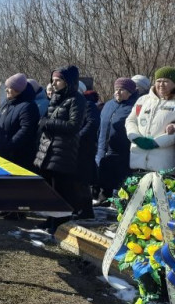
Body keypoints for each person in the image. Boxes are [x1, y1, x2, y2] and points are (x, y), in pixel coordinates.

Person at [34, 65, 86, 233]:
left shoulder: (77, 99)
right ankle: (50, 219)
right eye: (53, 80)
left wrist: (47, 124)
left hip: (63, 151)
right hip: (48, 149)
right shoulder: (56, 98)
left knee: (61, 190)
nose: (54, 83)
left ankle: (60, 224)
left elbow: (74, 125)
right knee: (49, 189)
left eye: (58, 80)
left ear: (68, 82)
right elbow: (46, 118)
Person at [0, 74, 40, 220]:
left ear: (18, 89)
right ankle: (6, 206)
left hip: (18, 152)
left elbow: (26, 129)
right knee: (5, 182)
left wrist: (11, 145)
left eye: (9, 88)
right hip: (2, 150)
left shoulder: (28, 106)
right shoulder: (7, 103)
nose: (6, 90)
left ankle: (17, 210)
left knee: (17, 183)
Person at [94, 77, 139, 206]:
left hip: (122, 151)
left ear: (130, 92)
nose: (117, 92)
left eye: (122, 90)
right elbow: (101, 125)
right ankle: (103, 201)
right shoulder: (108, 104)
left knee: (121, 181)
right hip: (104, 147)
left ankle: (122, 206)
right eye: (116, 89)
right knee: (103, 178)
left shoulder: (134, 106)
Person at [126, 67, 175, 172]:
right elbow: (130, 120)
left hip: (162, 163)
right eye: (159, 81)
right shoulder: (143, 100)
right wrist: (136, 137)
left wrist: (156, 143)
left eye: (166, 81)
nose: (161, 84)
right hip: (138, 161)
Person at [74, 84, 100, 220]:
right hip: (70, 148)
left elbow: (92, 123)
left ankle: (86, 210)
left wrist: (77, 136)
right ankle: (75, 207)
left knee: (82, 181)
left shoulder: (88, 105)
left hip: (84, 148)